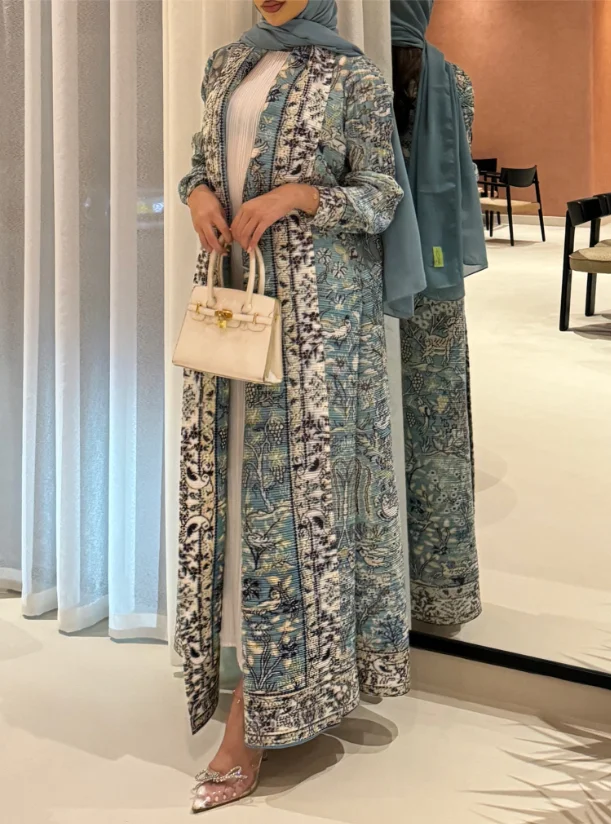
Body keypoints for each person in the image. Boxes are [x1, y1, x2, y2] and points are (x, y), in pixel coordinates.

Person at [177, 0, 424, 812]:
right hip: (236, 303)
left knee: (295, 508)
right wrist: (197, 195)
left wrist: (294, 197)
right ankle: (256, 677)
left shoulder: (352, 74)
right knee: (236, 496)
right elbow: (199, 161)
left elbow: (381, 194)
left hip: (321, 322)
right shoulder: (227, 62)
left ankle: (258, 716)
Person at [390, 0, 487, 627]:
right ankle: (441, 587)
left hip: (364, 279)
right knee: (436, 434)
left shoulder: (351, 77)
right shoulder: (456, 85)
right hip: (436, 279)